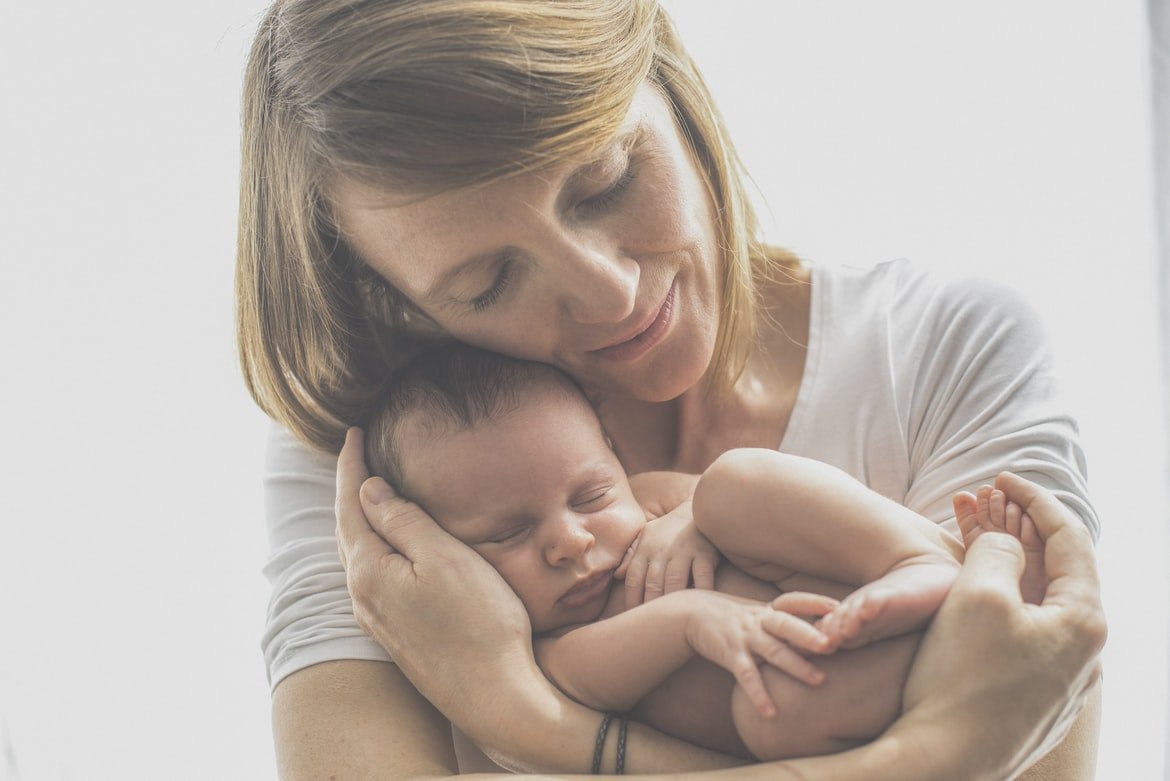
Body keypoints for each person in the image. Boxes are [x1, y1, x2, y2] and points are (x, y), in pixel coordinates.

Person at [236, 0, 1106, 777]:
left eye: (609, 178)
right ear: (397, 301)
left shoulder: (938, 349)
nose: (609, 291)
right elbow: (985, 721)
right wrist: (938, 752)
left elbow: (1034, 706)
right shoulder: (387, 468)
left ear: (672, 81)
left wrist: (531, 721)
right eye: (487, 282)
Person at [362, 345, 968, 760]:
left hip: (852, 589)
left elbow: (723, 501)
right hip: (834, 684)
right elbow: (586, 682)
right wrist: (691, 618)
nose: (571, 540)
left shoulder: (648, 498)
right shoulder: (538, 653)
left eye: (592, 493)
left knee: (733, 485)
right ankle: (929, 645)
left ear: (614, 455)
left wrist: (688, 518)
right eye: (507, 534)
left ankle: (916, 560)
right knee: (774, 715)